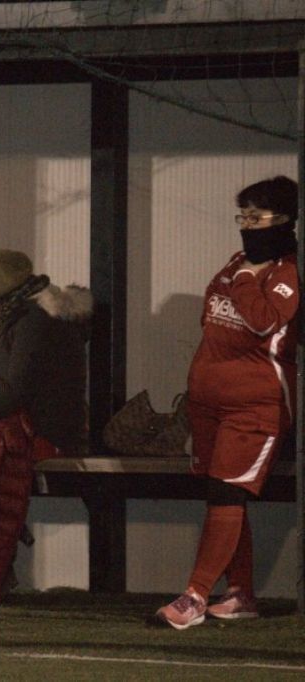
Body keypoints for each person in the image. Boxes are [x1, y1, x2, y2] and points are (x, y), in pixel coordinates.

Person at [155, 175, 299, 630]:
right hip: (208, 402)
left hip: (254, 407)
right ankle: (240, 593)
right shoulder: (239, 262)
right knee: (223, 494)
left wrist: (246, 281)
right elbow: (211, 316)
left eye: (256, 218)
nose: (247, 226)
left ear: (284, 219)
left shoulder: (286, 272)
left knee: (227, 493)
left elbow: (263, 321)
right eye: (243, 217)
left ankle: (195, 596)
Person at [0, 248, 91, 459]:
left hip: (46, 433)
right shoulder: (27, 315)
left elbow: (16, 388)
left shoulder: (32, 321)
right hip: (41, 427)